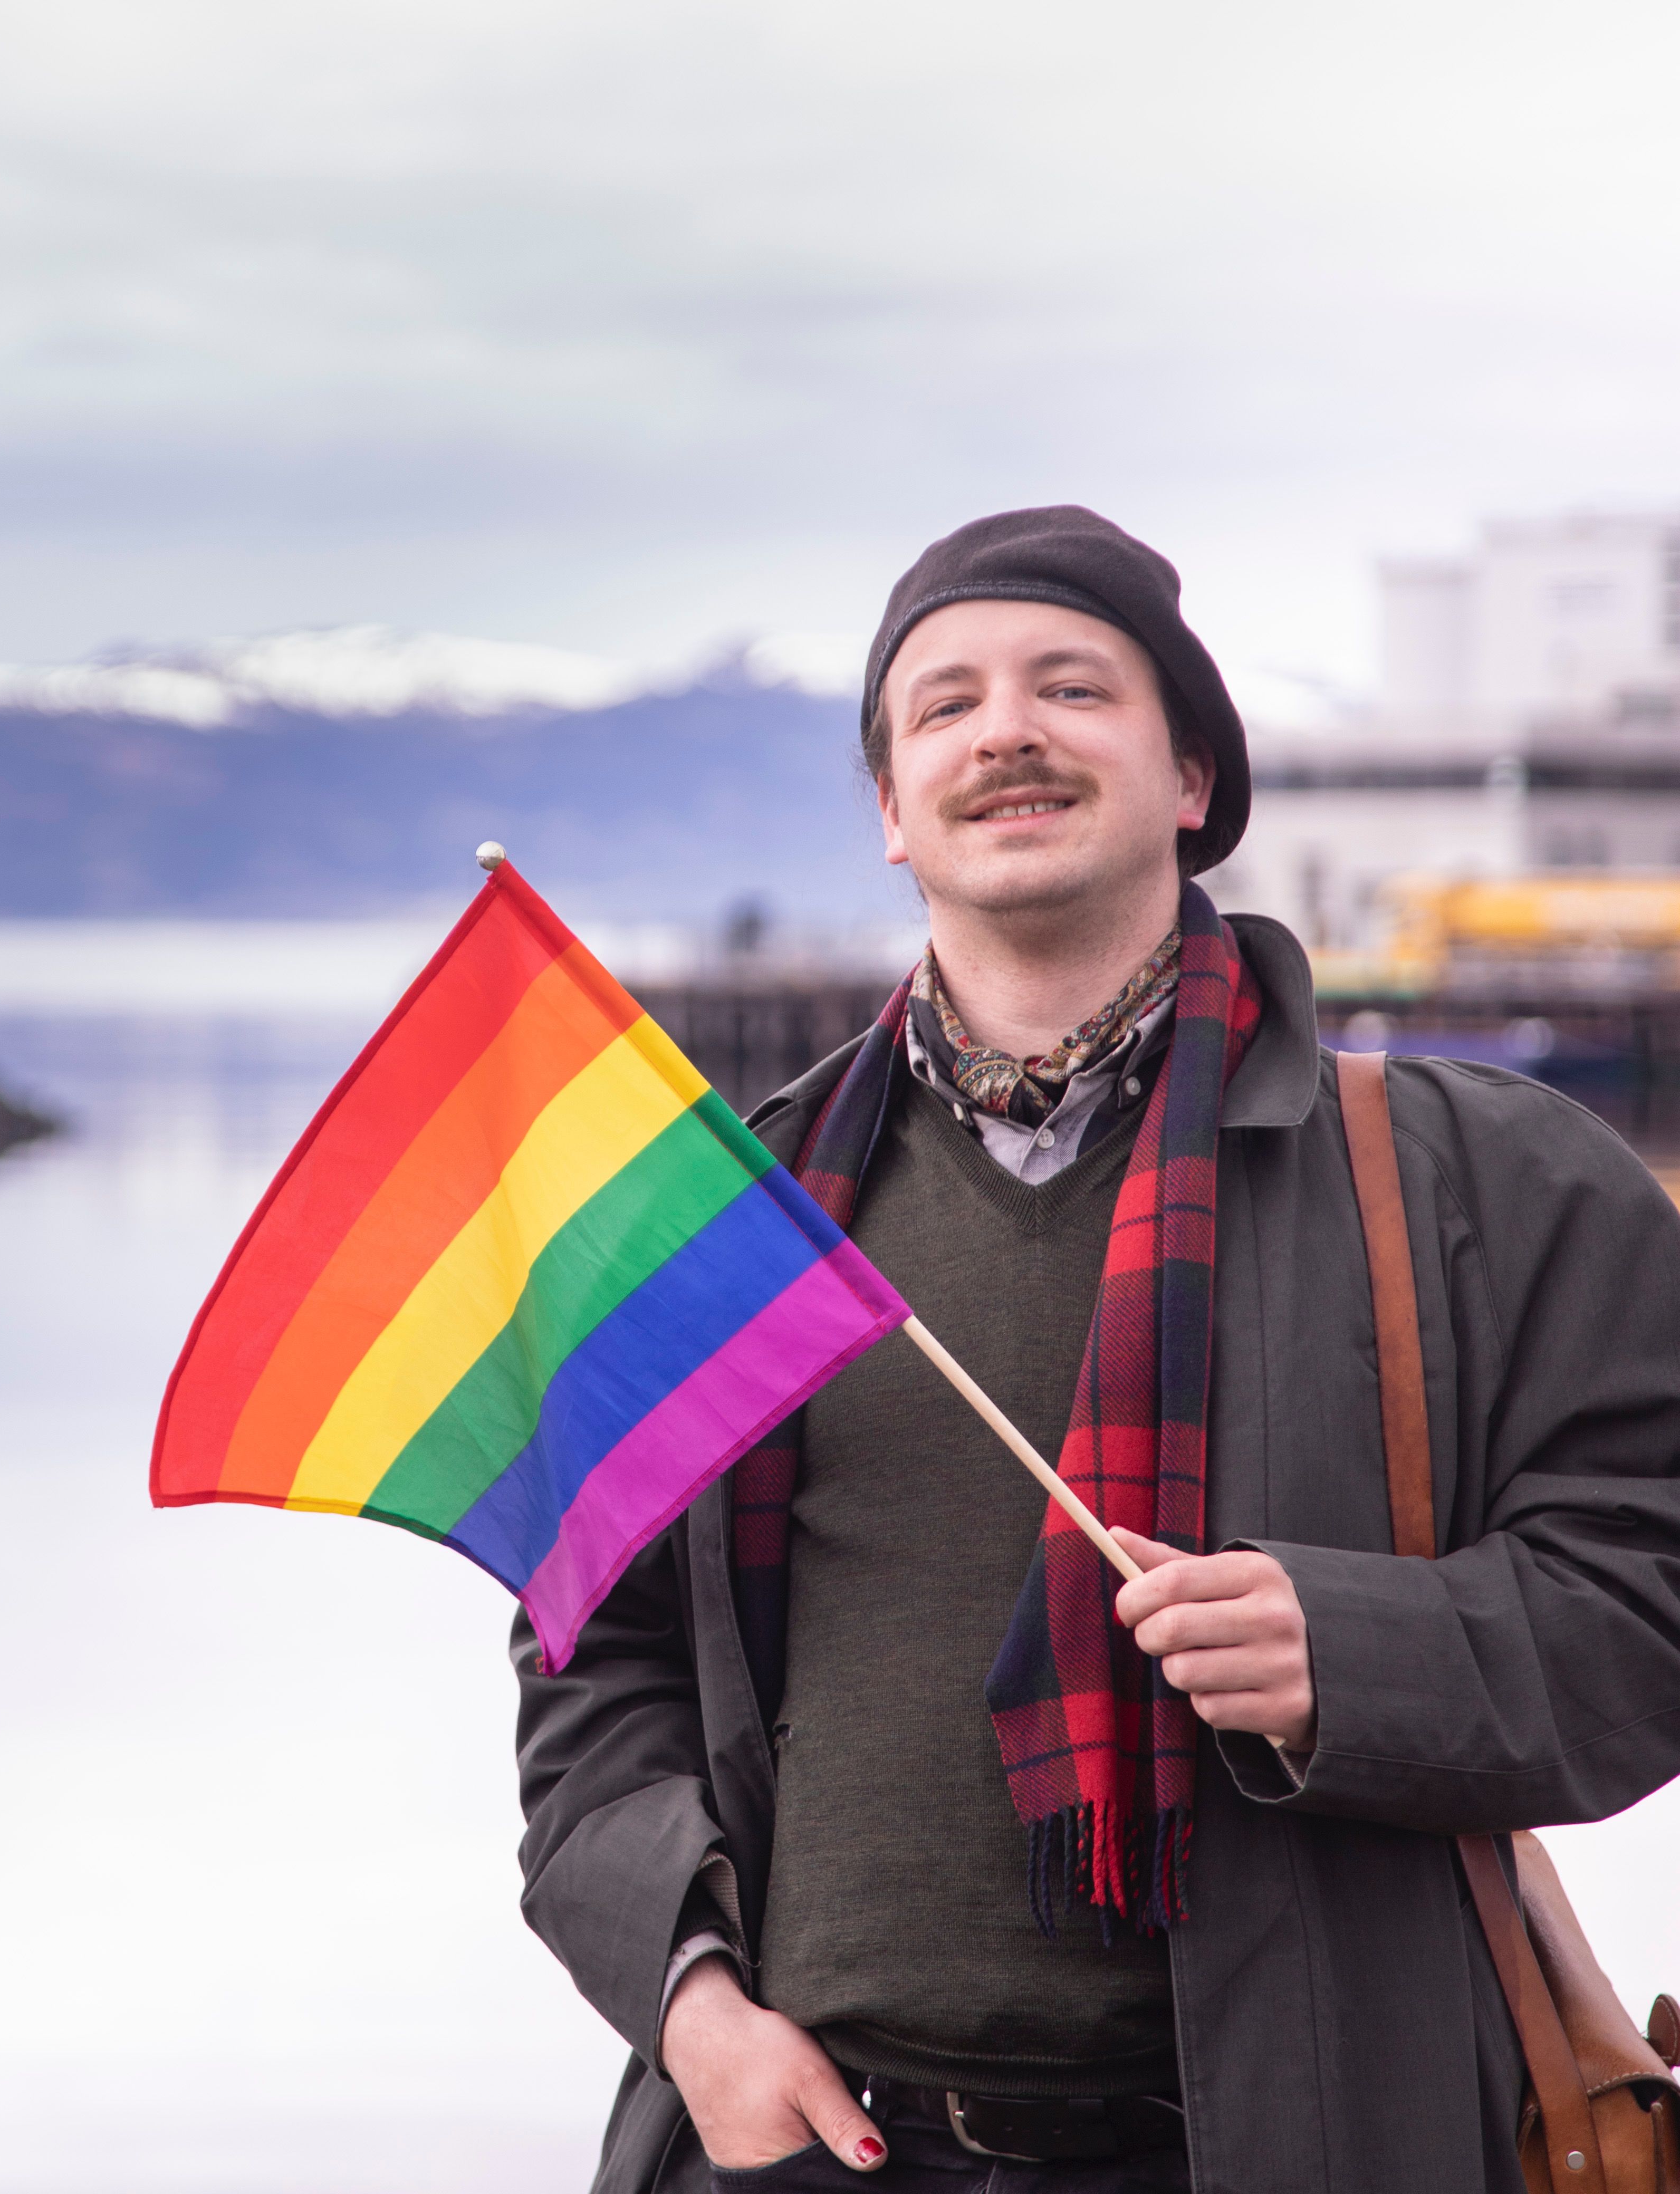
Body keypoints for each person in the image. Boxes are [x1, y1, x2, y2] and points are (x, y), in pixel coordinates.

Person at [510, 506, 1680, 2193]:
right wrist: (691, 2006)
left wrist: (1356, 1651)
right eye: (944, 706)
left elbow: (1653, 1587)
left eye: (1074, 686)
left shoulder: (1478, 1179)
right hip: (811, 2151)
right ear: (895, 817)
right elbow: (592, 1670)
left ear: (1194, 779)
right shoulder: (726, 1223)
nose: (1007, 732)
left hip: (1303, 2144)